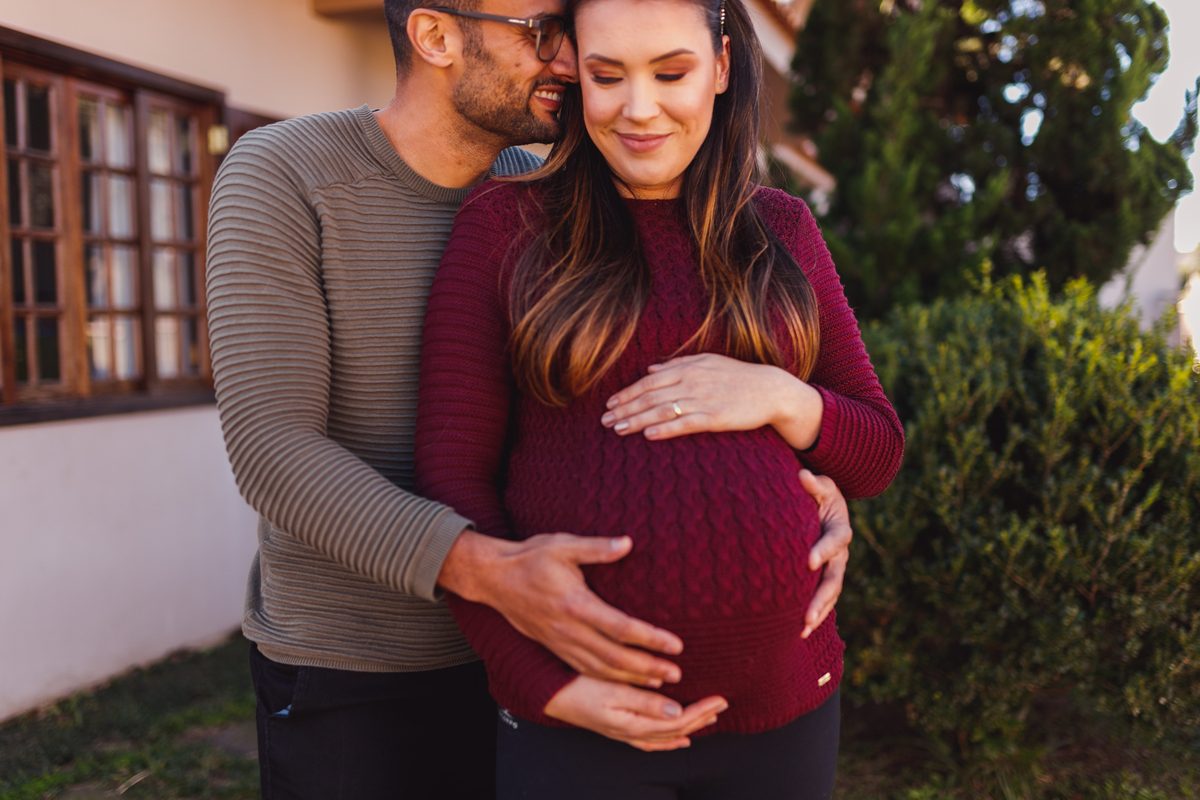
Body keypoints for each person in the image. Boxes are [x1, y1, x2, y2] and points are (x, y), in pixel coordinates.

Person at [205, 0, 856, 796]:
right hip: (370, 666)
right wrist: (491, 574)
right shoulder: (286, 171)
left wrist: (797, 488)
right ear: (437, 36)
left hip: (557, 660)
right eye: (544, 33)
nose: (569, 63)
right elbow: (271, 451)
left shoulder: (549, 189)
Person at [413, 0, 905, 797]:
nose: (638, 109)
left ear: (721, 66)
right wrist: (545, 687)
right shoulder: (505, 225)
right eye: (608, 76)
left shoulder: (781, 228)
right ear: (576, 75)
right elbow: (452, 486)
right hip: (578, 726)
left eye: (671, 73)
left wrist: (780, 396)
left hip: (786, 713)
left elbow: (877, 449)